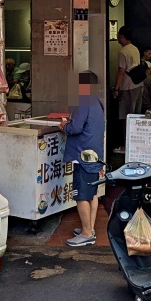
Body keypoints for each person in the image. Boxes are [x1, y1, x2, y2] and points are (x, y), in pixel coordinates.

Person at [59, 72, 106, 247]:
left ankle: (86, 233)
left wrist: (65, 126)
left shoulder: (82, 101)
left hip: (82, 155)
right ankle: (90, 228)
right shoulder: (97, 102)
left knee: (81, 196)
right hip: (94, 154)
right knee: (92, 194)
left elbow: (76, 127)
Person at [113, 25, 142, 126]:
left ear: (122, 36)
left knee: (127, 116)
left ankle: (126, 139)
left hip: (127, 86)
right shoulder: (135, 49)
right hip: (138, 84)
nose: (118, 40)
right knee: (136, 115)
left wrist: (116, 89)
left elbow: (121, 71)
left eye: (118, 37)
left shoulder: (123, 52)